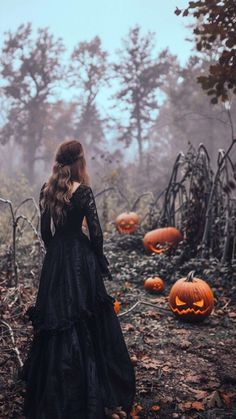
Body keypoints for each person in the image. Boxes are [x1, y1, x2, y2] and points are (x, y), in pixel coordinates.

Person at [19, 140, 136, 419]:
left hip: (57, 258)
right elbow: (96, 234)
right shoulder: (83, 192)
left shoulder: (47, 190)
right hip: (81, 259)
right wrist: (97, 259)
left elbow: (45, 232)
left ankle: (56, 380)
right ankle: (90, 385)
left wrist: (57, 254)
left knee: (59, 317)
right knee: (85, 315)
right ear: (79, 162)